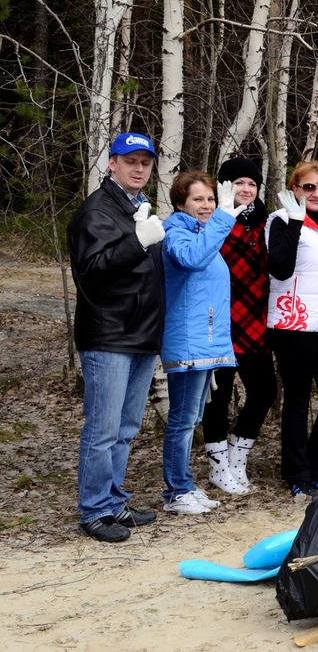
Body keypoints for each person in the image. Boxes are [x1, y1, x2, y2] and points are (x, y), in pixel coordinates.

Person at [68, 132, 165, 542]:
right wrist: (137, 242)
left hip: (141, 334)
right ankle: (93, 510)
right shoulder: (96, 211)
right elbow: (93, 270)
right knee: (103, 429)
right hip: (109, 336)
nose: (139, 168)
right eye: (131, 161)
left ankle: (112, 502)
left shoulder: (136, 207)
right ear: (112, 163)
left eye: (145, 162)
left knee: (125, 428)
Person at [266, 161, 318, 497]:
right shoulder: (281, 219)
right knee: (298, 400)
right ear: (295, 189)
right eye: (308, 187)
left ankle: (316, 464)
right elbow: (280, 269)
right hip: (294, 324)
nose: (316, 193)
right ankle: (296, 473)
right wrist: (295, 224)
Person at [160, 170, 241, 514]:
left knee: (190, 418)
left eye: (211, 199)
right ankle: (177, 491)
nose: (207, 205)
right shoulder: (176, 233)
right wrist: (222, 219)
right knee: (181, 420)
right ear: (181, 203)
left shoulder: (201, 233)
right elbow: (192, 259)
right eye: (199, 199)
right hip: (188, 342)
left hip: (204, 342)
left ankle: (185, 485)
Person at [203, 157, 277, 496]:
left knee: (264, 391)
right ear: (225, 186)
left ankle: (237, 459)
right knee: (217, 397)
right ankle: (218, 467)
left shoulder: (265, 222)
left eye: (252, 184)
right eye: (239, 183)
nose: (246, 189)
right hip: (217, 319)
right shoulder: (210, 219)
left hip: (254, 319)